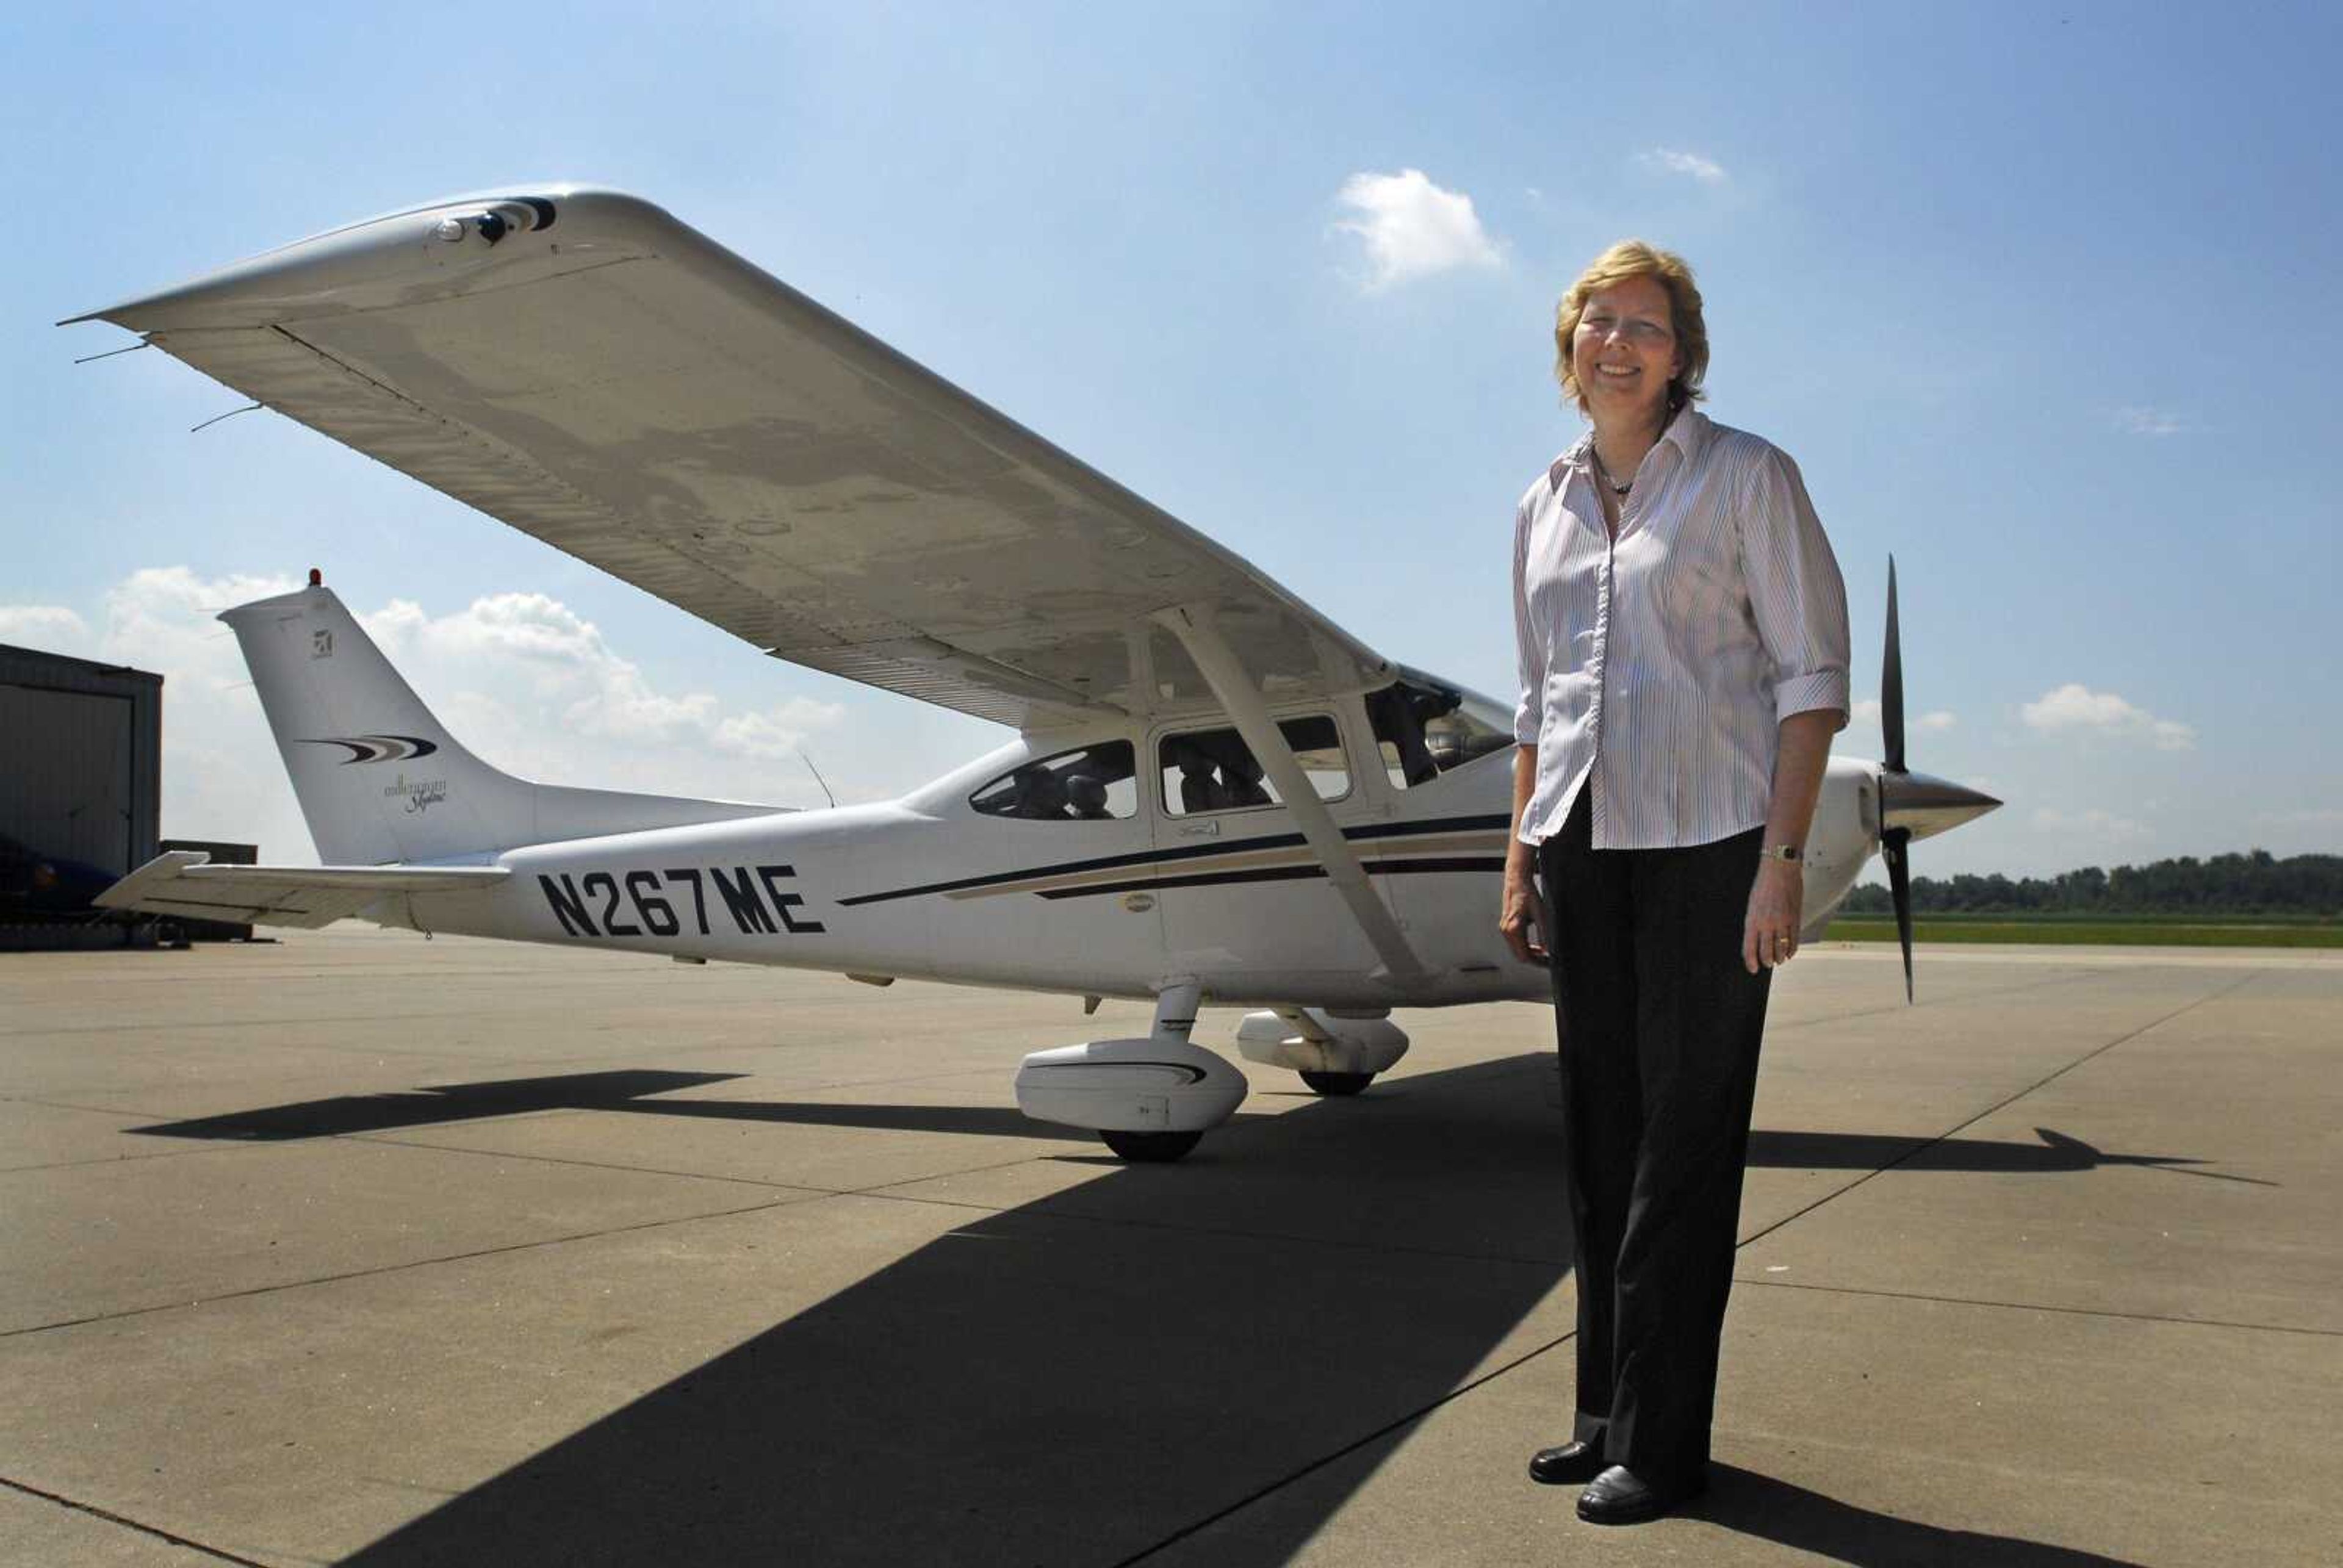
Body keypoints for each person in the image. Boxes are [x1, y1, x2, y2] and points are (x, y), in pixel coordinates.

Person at [1498, 241, 1849, 1525]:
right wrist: (1521, 856)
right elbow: (1541, 697)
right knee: (1600, 1137)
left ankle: (1665, 1441)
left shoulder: (1751, 478)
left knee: (1683, 1146)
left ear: (1682, 354)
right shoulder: (1541, 500)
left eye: (1648, 326)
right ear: (1571, 345)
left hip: (1713, 844)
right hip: (1584, 838)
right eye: (1601, 322)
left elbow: (1812, 681)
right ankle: (1603, 1414)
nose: (1621, 344)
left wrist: (1784, 862)